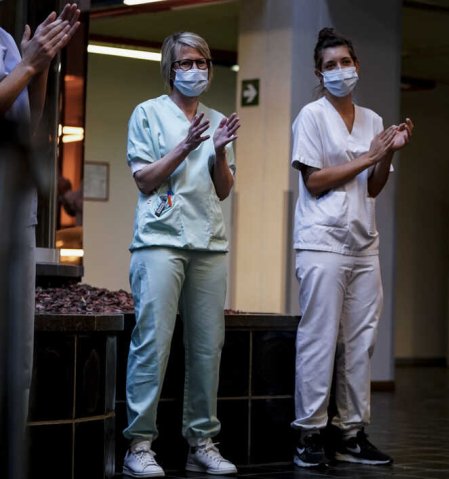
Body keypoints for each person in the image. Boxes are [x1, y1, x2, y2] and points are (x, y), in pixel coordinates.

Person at [289, 27, 413, 468]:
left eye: (346, 62)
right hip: (322, 243)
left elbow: (373, 188)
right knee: (320, 341)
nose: (340, 71)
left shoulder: (374, 121)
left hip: (364, 245)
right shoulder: (311, 116)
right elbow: (314, 181)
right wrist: (367, 156)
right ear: (319, 74)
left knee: (361, 343)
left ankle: (351, 433)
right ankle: (309, 435)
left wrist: (389, 152)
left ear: (357, 65)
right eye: (330, 65)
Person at [122, 31, 240, 478]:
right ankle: (139, 444)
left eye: (203, 63)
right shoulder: (147, 114)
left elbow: (224, 190)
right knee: (153, 342)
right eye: (186, 63)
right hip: (160, 241)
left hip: (208, 241)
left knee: (209, 346)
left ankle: (201, 442)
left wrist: (220, 149)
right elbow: (145, 179)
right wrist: (186, 146)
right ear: (170, 69)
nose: (196, 70)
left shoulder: (216, 120)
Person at [1, 4, 79, 478]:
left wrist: (40, 69)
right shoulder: (17, 51)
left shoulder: (7, 42)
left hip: (14, 212)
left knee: (16, 362)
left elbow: (28, 130)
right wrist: (30, 64)